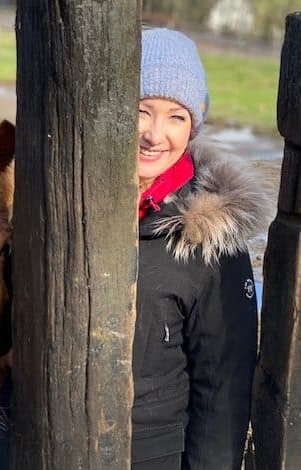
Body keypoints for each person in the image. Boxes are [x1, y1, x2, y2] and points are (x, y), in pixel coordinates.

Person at [132, 28, 270, 469]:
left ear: (194, 125)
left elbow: (223, 390)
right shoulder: (57, 209)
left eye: (176, 117)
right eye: (141, 111)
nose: (155, 134)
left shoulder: (209, 237)